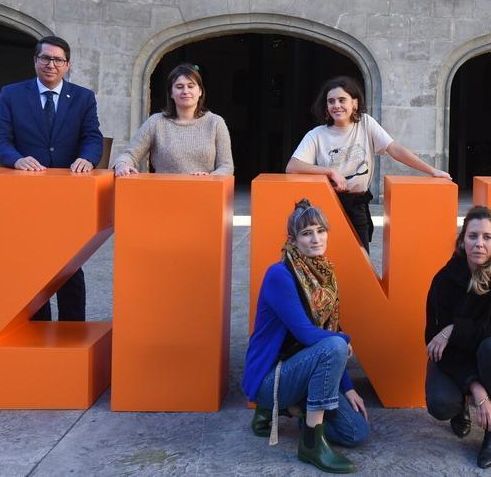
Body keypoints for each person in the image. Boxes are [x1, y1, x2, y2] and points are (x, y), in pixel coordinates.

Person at [245, 200, 369, 473]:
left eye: (320, 230)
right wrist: (344, 341)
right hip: (272, 377)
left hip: (305, 370)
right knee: (334, 344)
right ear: (293, 239)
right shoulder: (280, 274)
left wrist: (348, 387)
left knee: (356, 433)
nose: (316, 239)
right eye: (306, 233)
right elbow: (308, 334)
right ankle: (312, 443)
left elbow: (330, 331)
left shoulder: (324, 275)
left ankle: (290, 411)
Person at [0, 35, 103, 322]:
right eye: (45, 58)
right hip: (26, 195)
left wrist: (87, 158)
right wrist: (16, 159)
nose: (51, 64)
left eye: (58, 60)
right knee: (31, 264)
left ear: (67, 65)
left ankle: (72, 328)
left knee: (70, 265)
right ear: (35, 60)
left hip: (68, 197)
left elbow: (92, 137)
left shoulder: (83, 97)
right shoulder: (12, 94)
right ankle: (37, 329)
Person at [425, 206, 491, 470]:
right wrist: (476, 389)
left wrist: (455, 330)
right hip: (455, 361)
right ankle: (460, 404)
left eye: (487, 237)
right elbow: (432, 338)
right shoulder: (444, 280)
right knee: (440, 404)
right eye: (473, 236)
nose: (479, 244)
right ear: (462, 241)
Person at [287, 76, 450, 248]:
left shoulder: (366, 123)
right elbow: (292, 166)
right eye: (331, 101)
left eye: (342, 100)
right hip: (327, 205)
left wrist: (432, 170)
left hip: (357, 205)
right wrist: (330, 172)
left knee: (360, 256)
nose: (336, 105)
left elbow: (394, 149)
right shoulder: (317, 134)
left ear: (354, 103)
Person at [111, 64, 234, 177]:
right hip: (164, 194)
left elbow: (226, 166)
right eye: (179, 87)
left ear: (200, 91)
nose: (185, 91)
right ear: (171, 93)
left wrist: (209, 178)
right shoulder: (156, 122)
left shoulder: (216, 123)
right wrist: (122, 164)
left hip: (205, 193)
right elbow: (129, 155)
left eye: (191, 86)